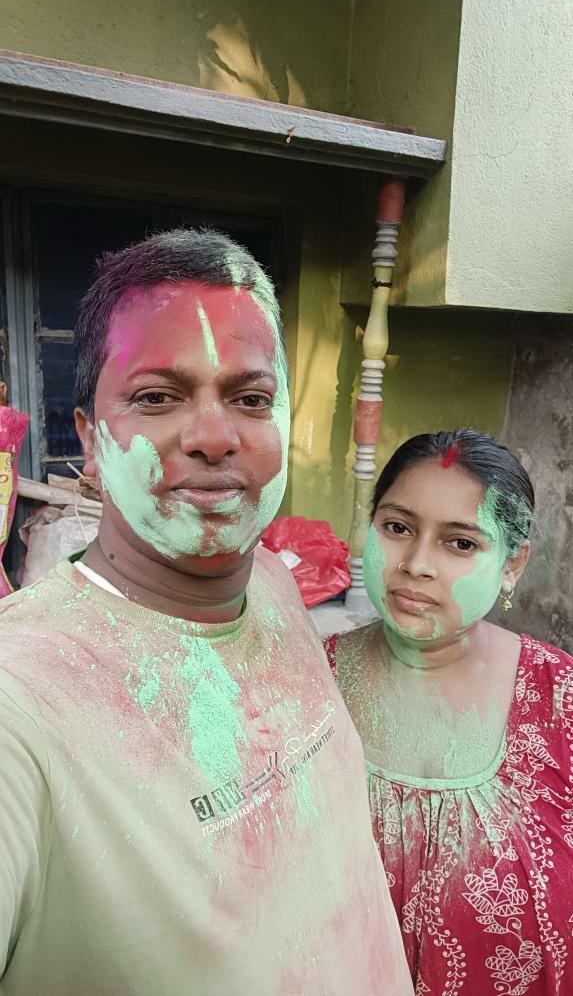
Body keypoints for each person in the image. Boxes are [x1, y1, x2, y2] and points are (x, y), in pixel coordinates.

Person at [0, 230, 413, 995]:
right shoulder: (21, 697)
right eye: (157, 397)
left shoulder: (273, 586)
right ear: (90, 439)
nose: (215, 438)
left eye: (249, 398)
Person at [326, 430, 573, 996]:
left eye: (460, 543)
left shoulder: (560, 700)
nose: (416, 564)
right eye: (397, 528)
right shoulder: (309, 686)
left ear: (513, 564)